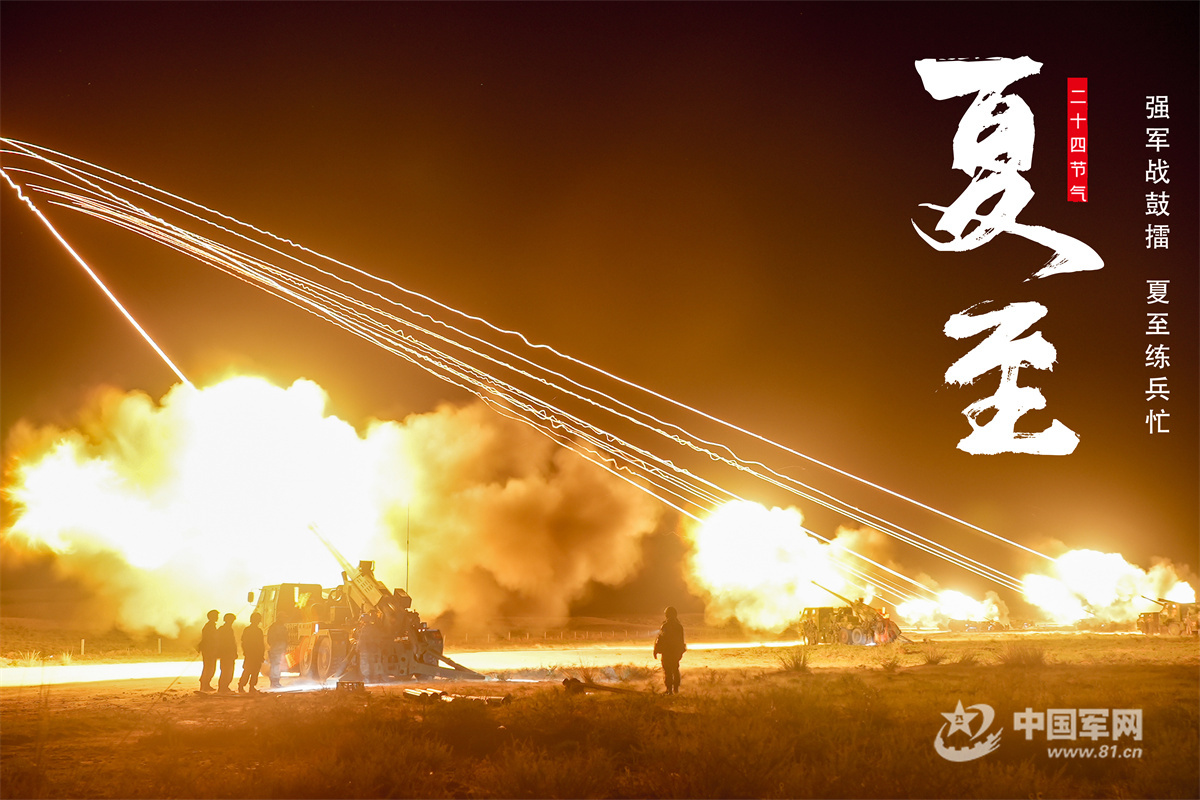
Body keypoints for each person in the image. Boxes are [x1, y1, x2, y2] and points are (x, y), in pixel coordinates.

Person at [653, 606, 687, 695]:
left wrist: (656, 650)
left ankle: (669, 690)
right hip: (675, 652)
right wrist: (680, 652)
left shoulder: (665, 625)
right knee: (675, 669)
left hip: (667, 652)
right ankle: (675, 689)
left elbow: (660, 638)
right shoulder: (679, 626)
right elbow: (681, 640)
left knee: (668, 670)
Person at [237, 612, 265, 694]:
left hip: (253, 654)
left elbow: (260, 644)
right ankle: (244, 686)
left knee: (252, 671)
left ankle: (247, 686)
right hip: (253, 654)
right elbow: (246, 642)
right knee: (250, 671)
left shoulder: (249, 630)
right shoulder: (256, 631)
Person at [197, 609, 219, 692]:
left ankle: (206, 685)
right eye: (216, 616)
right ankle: (204, 685)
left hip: (210, 650)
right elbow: (210, 639)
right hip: (209, 650)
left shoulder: (210, 626)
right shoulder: (209, 626)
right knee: (209, 668)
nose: (217, 617)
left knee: (209, 668)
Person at [216, 613, 238, 694]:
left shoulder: (228, 629)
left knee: (229, 671)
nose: (232, 622)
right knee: (226, 671)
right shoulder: (223, 629)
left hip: (229, 654)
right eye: (231, 620)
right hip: (226, 654)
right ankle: (222, 688)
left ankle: (224, 687)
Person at [267, 617, 288, 688]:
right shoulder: (280, 627)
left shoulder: (273, 627)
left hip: (276, 648)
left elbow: (269, 640)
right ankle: (275, 682)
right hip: (276, 649)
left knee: (275, 665)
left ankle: (275, 682)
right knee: (276, 665)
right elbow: (284, 638)